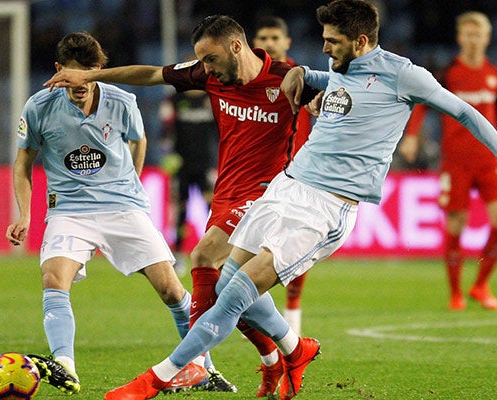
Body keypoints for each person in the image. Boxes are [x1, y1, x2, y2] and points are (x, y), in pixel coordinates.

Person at [100, 1, 497, 399]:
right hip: (286, 187)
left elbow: (466, 112)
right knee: (225, 283)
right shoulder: (342, 70)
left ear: (361, 41)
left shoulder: (405, 76)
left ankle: (153, 381)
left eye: (333, 42)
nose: (326, 48)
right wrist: (304, 74)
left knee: (233, 295)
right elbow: (334, 79)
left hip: (328, 206)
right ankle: (296, 350)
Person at [44, 15, 320, 397]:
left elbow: (341, 95)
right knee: (229, 285)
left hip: (268, 193)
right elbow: (150, 74)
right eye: (201, 60)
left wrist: (319, 95)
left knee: (203, 256)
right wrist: (92, 77)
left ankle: (190, 365)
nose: (205, 68)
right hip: (226, 191)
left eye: (210, 59)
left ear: (235, 47)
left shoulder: (288, 80)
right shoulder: (207, 76)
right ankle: (286, 352)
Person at [5, 31, 205, 395]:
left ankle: (203, 366)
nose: (80, 82)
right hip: (69, 211)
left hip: (122, 206)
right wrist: (25, 216)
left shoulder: (122, 100)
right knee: (53, 278)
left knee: (172, 290)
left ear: (99, 70)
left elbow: (138, 139)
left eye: (89, 73)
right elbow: (23, 164)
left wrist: (133, 184)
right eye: (73, 73)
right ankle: (64, 364)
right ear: (58, 69)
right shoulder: (39, 106)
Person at [398, 11, 497, 311]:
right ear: (460, 38)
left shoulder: (496, 74)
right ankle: (455, 293)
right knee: (456, 224)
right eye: (468, 34)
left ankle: (481, 285)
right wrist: (412, 135)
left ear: (487, 38)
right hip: (456, 161)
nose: (473, 40)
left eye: (479, 34)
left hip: (488, 160)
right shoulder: (449, 72)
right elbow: (423, 103)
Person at [253, 16, 312, 336]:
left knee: (295, 248)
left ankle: (292, 313)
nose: (270, 42)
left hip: (296, 176)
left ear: (287, 42)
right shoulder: (247, 79)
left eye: (276, 36)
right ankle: (264, 324)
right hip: (254, 177)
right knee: (247, 253)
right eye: (263, 36)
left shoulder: (303, 78)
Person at [158, 81, 218, 267]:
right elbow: (165, 131)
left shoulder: (212, 100)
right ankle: (178, 254)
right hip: (181, 163)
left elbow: (221, 132)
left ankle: (216, 251)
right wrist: (167, 153)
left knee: (213, 207)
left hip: (206, 163)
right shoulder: (175, 100)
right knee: (181, 208)